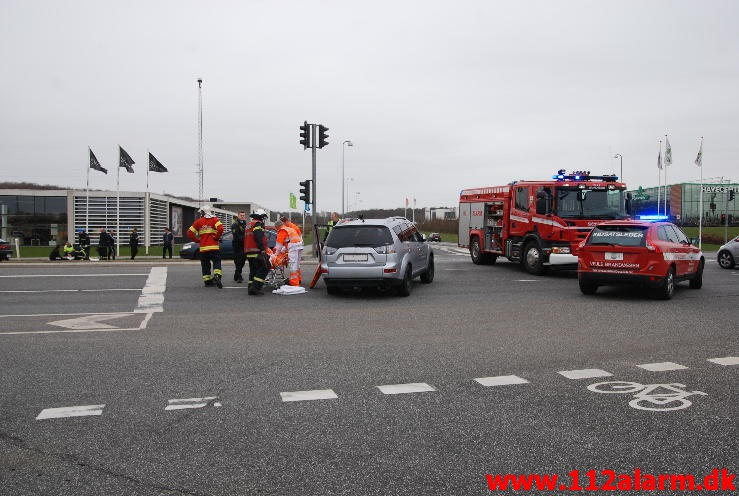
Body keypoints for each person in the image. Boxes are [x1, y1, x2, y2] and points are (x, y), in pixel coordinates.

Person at [187, 205, 224, 288]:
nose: (200, 214)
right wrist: (216, 237)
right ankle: (217, 275)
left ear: (204, 212)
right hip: (214, 247)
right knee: (216, 262)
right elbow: (221, 229)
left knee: (205, 265)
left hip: (203, 248)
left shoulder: (198, 221)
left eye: (201, 212)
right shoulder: (215, 219)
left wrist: (197, 240)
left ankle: (207, 281)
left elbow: (189, 233)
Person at [244, 208, 269, 295]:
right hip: (256, 251)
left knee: (253, 271)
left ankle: (250, 288)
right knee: (264, 268)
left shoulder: (249, 224)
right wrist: (262, 249)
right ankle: (255, 288)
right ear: (261, 217)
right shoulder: (257, 224)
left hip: (248, 251)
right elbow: (258, 237)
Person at [274, 220, 304, 286]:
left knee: (292, 265)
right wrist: (283, 250)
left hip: (293, 247)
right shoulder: (289, 229)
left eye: (275, 228)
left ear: (277, 226)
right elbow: (288, 241)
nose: (276, 230)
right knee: (297, 265)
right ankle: (298, 279)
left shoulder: (282, 231)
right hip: (299, 246)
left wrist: (275, 255)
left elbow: (279, 245)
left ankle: (294, 283)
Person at [231, 211, 247, 283]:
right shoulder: (235, 224)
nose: (242, 216)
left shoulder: (245, 223)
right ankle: (238, 277)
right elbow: (236, 236)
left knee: (242, 261)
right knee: (238, 261)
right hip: (237, 245)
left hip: (244, 246)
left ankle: (236, 275)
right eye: (241, 215)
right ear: (238, 216)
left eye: (243, 215)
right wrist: (245, 238)